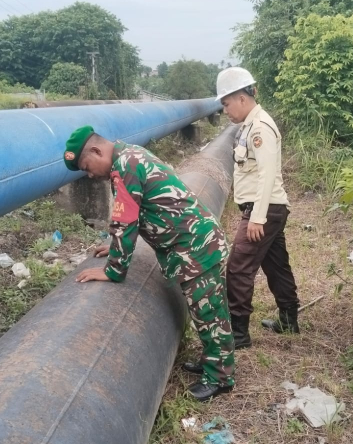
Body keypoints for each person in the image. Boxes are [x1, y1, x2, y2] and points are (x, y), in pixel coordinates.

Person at [63, 126, 235, 402]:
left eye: (87, 167)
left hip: (196, 247)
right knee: (204, 311)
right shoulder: (128, 157)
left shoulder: (126, 166)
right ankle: (213, 360)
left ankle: (220, 378)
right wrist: (115, 247)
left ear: (96, 151)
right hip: (191, 245)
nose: (90, 175)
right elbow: (135, 214)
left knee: (210, 312)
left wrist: (113, 270)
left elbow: (125, 220)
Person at [215, 67, 301, 349]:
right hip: (268, 209)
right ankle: (288, 320)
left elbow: (266, 175)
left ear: (242, 98)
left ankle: (238, 334)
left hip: (264, 210)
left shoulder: (260, 128)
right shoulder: (249, 125)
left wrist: (257, 217)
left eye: (226, 103)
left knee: (238, 268)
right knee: (276, 266)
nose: (225, 110)